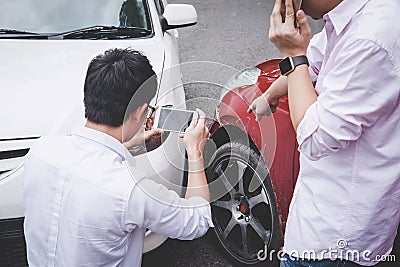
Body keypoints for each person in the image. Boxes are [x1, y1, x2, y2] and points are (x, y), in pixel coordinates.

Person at [23, 48, 213, 266]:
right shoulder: (132, 189)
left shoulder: (40, 151)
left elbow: (88, 166)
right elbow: (196, 221)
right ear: (139, 112)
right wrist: (195, 152)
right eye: (149, 109)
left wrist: (130, 143)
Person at [248, 0, 400, 266]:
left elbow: (315, 139)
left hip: (334, 239)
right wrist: (270, 94)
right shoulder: (351, 17)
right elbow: (314, 61)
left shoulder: (369, 38)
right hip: (339, 219)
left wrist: (292, 53)